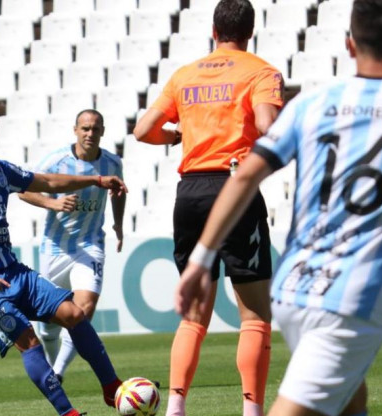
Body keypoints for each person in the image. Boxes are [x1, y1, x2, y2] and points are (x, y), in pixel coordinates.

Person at [175, 0, 382, 415]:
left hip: (294, 290)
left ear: (349, 45)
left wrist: (199, 261)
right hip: (351, 298)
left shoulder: (311, 104)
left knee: (353, 401)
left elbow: (244, 176)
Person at [133, 0, 284, 414]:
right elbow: (270, 127)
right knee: (253, 315)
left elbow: (143, 130)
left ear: (213, 31)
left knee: (194, 317)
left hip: (190, 191)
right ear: (249, 32)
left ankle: (176, 407)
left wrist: (178, 137)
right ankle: (252, 409)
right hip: (235, 186)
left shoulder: (185, 75)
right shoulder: (261, 71)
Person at [0, 108, 127, 416]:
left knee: (74, 313)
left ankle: (112, 387)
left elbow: (47, 180)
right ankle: (68, 412)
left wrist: (96, 180)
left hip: (14, 272)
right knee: (29, 340)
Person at [18, 109, 126, 380]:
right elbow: (23, 189)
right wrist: (52, 202)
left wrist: (119, 224)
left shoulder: (112, 163)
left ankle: (57, 373)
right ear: (75, 130)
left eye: (95, 129)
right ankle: (55, 364)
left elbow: (118, 192)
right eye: (85, 128)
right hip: (55, 248)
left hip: (90, 245)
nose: (90, 133)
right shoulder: (56, 161)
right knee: (48, 328)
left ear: (103, 131)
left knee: (83, 310)